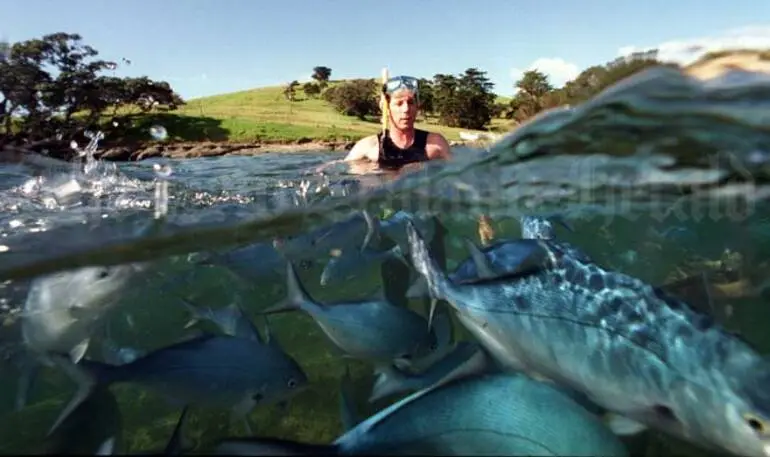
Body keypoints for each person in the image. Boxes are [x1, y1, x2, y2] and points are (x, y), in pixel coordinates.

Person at [343, 75, 452, 169]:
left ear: (417, 106)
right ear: (386, 108)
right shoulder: (368, 148)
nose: (406, 109)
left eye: (410, 102)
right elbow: (342, 173)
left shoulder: (436, 144)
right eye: (399, 104)